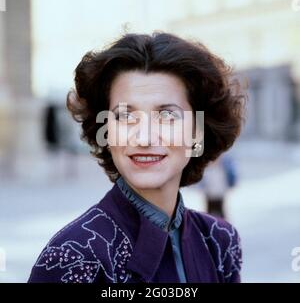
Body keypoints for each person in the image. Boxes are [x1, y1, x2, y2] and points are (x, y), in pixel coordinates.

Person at [28, 31, 246, 283]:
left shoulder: (220, 242)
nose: (144, 138)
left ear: (197, 131)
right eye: (124, 116)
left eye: (166, 115)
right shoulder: (73, 256)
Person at [201, 153, 238, 219]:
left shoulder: (224, 164)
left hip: (220, 194)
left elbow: (231, 175)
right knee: (209, 214)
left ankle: (222, 226)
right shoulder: (207, 168)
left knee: (221, 213)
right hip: (210, 194)